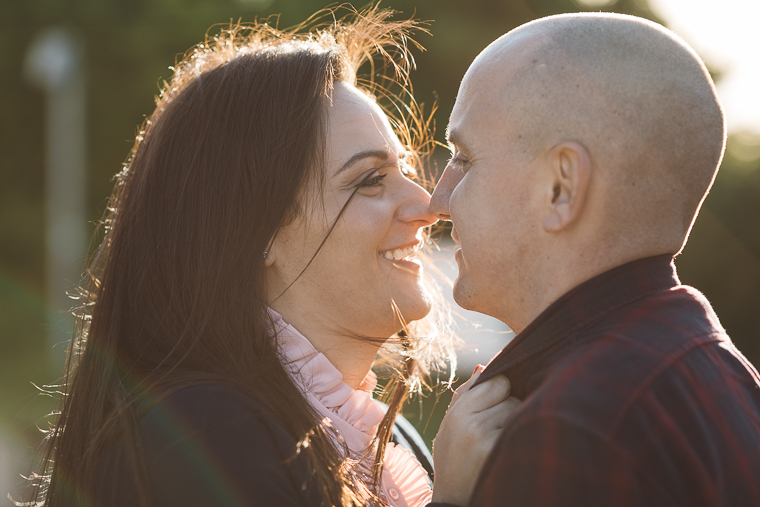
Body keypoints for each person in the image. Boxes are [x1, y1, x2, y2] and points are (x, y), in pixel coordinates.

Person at [25, 7, 513, 507]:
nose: (426, 205)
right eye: (369, 181)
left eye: (405, 168)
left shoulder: (384, 439)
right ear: (254, 232)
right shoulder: (202, 438)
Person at [428, 12, 760, 507]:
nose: (437, 199)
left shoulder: (575, 425)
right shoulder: (723, 375)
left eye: (465, 158)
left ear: (561, 187)